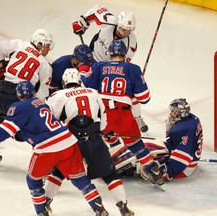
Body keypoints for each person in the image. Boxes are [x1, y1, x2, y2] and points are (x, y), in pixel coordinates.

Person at [0, 81, 108, 216]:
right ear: (33, 92)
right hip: (68, 142)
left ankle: (41, 212)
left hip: (47, 149)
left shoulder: (17, 107)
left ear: (18, 95)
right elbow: (29, 130)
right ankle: (100, 209)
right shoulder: (41, 102)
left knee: (33, 180)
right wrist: (17, 134)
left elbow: (3, 132)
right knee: (80, 179)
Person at [45, 68, 134, 216]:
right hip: (94, 139)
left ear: (63, 82)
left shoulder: (56, 96)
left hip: (71, 142)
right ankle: (123, 207)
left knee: (58, 171)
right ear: (80, 82)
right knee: (110, 174)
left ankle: (45, 203)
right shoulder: (93, 92)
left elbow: (50, 122)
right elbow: (103, 121)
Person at [81, 39, 165, 185]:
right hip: (122, 115)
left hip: (102, 114)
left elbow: (86, 87)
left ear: (109, 53)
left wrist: (84, 69)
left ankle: (108, 156)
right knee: (136, 145)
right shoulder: (133, 68)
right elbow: (144, 98)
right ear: (125, 53)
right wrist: (135, 85)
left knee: (103, 135)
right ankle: (153, 170)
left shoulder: (98, 66)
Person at [72, 3, 149, 133]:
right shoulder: (108, 21)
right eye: (124, 29)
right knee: (83, 85)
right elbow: (97, 9)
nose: (126, 32)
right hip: (93, 59)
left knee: (131, 91)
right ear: (118, 24)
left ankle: (137, 117)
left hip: (109, 68)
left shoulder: (132, 43)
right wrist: (83, 22)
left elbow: (122, 64)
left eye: (129, 30)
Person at [0, 29, 54, 169]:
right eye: (47, 46)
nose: (48, 50)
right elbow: (42, 93)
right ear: (39, 44)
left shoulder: (18, 44)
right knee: (33, 128)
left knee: (3, 120)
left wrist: (0, 64)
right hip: (18, 98)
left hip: (0, 91)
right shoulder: (45, 64)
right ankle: (45, 165)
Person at [111, 98, 203, 183]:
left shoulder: (183, 130)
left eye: (174, 112)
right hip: (186, 157)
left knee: (141, 161)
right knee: (147, 147)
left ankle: (121, 170)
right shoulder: (192, 119)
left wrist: (165, 171)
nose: (171, 114)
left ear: (182, 113)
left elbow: (183, 156)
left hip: (185, 168)